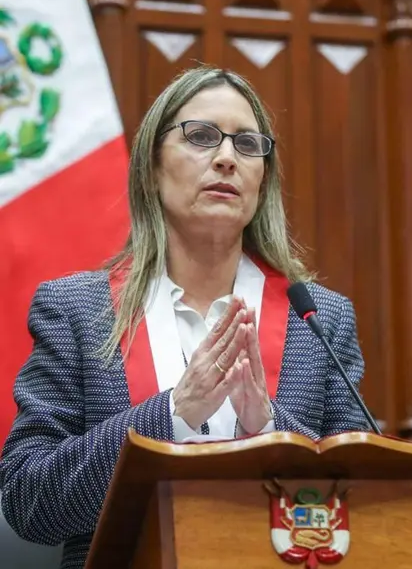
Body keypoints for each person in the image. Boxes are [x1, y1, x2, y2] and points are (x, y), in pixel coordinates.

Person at [0, 66, 369, 568]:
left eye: (246, 144)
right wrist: (173, 414)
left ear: (264, 177)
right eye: (200, 137)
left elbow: (363, 500)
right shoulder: (76, 311)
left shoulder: (319, 320)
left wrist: (271, 429)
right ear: (152, 167)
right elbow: (27, 501)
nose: (225, 159)